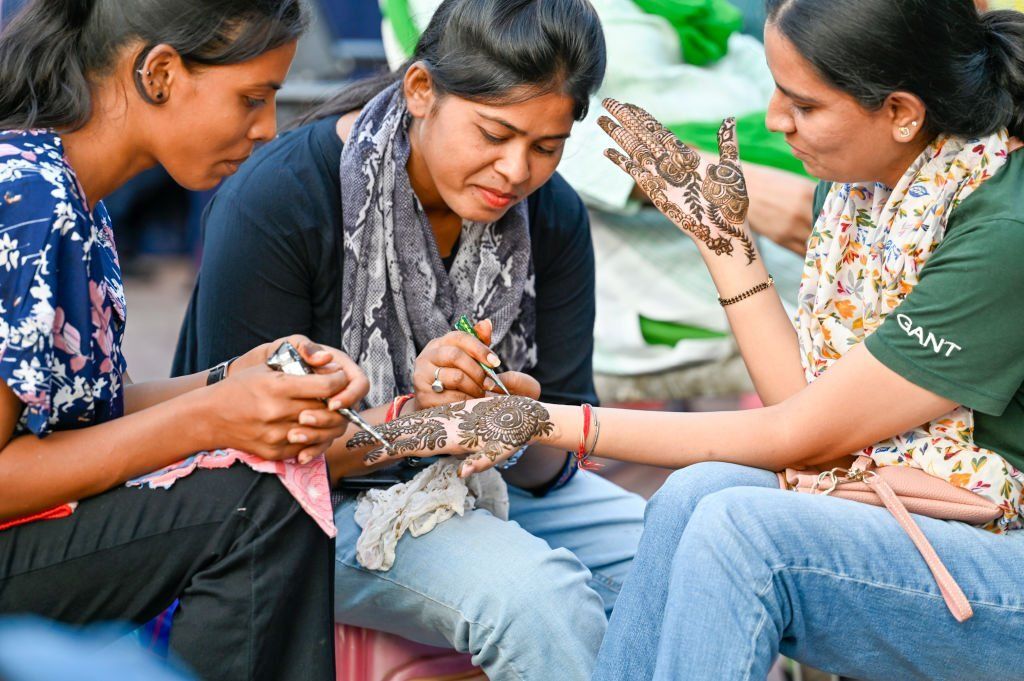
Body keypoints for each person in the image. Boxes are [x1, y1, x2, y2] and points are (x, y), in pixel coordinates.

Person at [344, 1, 1024, 678]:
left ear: (902, 112)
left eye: (803, 104)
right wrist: (720, 237)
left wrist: (541, 420)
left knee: (742, 531)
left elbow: (805, 436)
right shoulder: (863, 195)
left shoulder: (1003, 228)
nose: (775, 118)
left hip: (1003, 554)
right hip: (920, 515)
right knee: (693, 494)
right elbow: (816, 419)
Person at [172, 0, 645, 678]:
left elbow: (551, 469)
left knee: (681, 552)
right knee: (538, 599)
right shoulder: (282, 202)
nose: (516, 171)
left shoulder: (553, 213)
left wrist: (518, 416)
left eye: (545, 146)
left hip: (490, 484)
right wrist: (420, 423)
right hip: (300, 507)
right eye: (494, 133)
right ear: (421, 91)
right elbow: (241, 462)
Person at [0, 2, 371, 679]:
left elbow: (75, 416)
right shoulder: (26, 198)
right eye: (252, 99)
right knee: (255, 500)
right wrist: (207, 419)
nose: (265, 130)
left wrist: (227, 380)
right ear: (161, 74)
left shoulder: (73, 197)